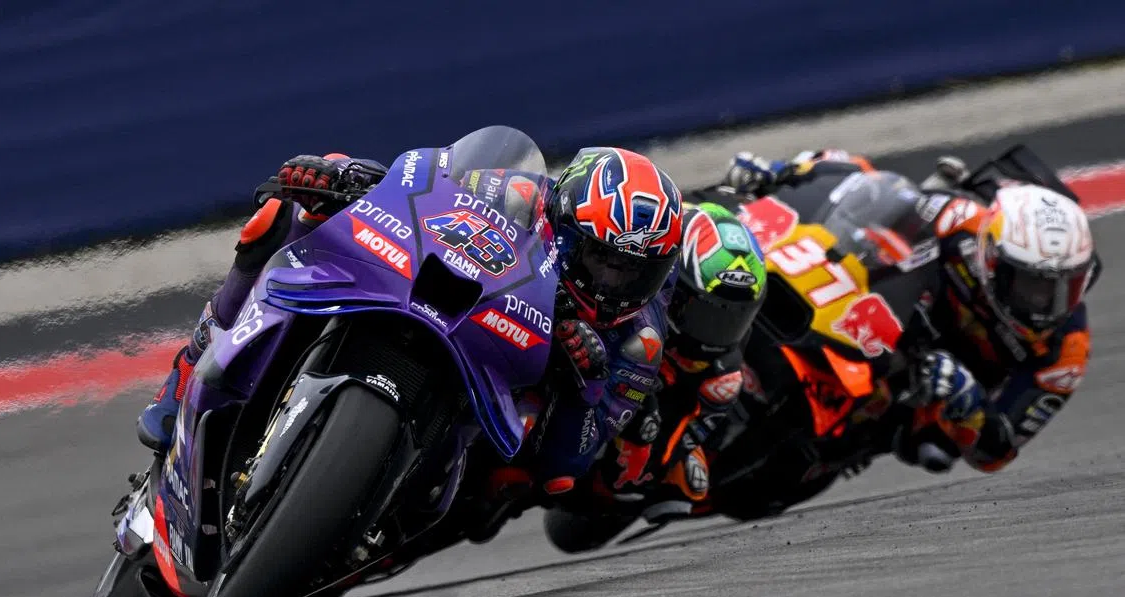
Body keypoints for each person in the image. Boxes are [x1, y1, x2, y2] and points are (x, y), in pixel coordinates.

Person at [137, 144, 683, 519]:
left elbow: (565, 472)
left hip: (482, 429)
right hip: (443, 310)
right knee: (283, 212)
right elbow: (423, 184)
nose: (613, 282)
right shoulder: (521, 194)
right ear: (565, 226)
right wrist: (350, 178)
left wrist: (586, 385)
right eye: (602, 259)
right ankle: (187, 370)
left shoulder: (638, 340)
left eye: (632, 271)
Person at [724, 149, 1095, 474]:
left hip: (925, 401)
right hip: (883, 316)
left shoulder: (1066, 351)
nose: (1047, 304)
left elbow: (997, 453)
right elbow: (871, 189)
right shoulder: (960, 219)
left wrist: (973, 407)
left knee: (930, 447)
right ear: (992, 258)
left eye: (1068, 287)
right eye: (1034, 287)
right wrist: (785, 174)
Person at [589, 202, 767, 515]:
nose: (711, 331)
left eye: (731, 319)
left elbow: (692, 430)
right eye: (705, 313)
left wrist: (672, 442)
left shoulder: (721, 371)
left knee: (689, 481)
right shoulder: (632, 293)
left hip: (627, 443)